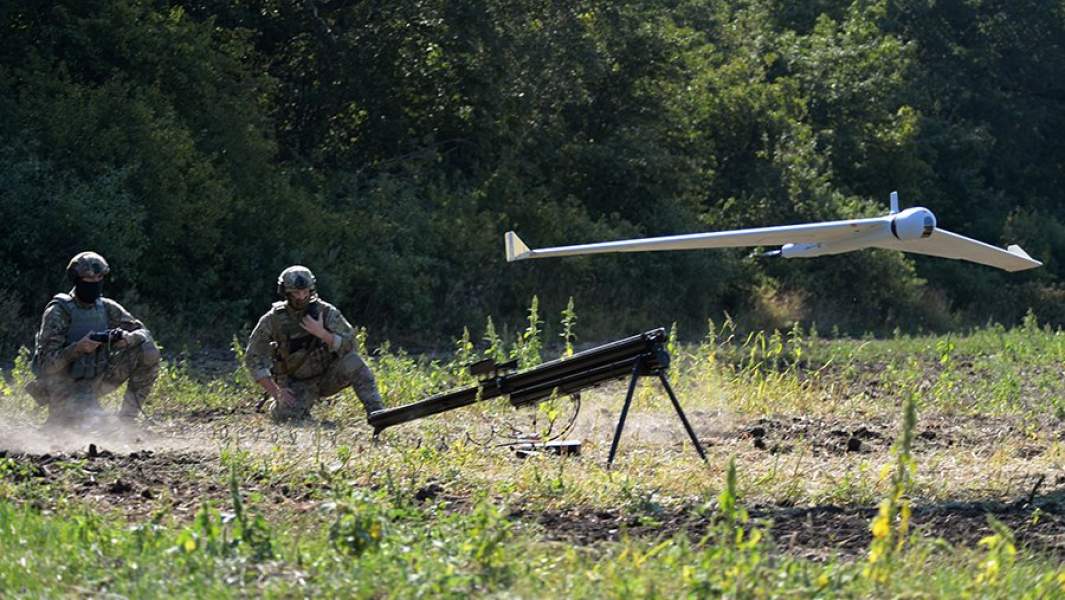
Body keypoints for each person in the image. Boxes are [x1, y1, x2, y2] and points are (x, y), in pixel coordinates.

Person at [28, 252, 161, 427]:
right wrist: (77, 349)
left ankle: (128, 420)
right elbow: (46, 365)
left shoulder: (106, 307)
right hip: (64, 386)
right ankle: (62, 421)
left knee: (148, 351)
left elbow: (144, 332)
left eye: (99, 278)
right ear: (77, 279)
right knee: (92, 429)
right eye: (89, 279)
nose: (95, 283)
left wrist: (128, 338)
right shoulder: (58, 312)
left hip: (96, 380)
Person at [245, 266, 385, 422]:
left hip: (328, 376)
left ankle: (378, 413)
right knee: (287, 414)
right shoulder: (273, 320)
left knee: (354, 362)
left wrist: (323, 334)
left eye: (305, 292)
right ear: (286, 292)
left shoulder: (326, 312)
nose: (301, 297)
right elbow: (253, 358)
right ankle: (284, 408)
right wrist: (276, 392)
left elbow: (352, 345)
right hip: (297, 383)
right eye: (296, 293)